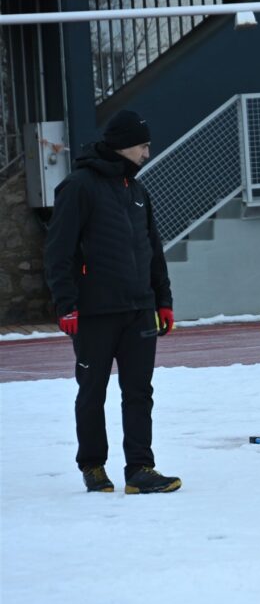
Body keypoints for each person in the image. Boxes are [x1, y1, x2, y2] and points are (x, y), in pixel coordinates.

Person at [44, 109, 181, 494]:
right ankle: (92, 465)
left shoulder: (136, 190)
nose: (147, 153)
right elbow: (58, 251)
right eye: (142, 146)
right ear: (123, 146)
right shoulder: (79, 187)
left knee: (139, 392)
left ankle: (140, 468)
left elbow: (153, 250)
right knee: (93, 391)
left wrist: (163, 301)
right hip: (95, 312)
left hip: (139, 309)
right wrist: (66, 303)